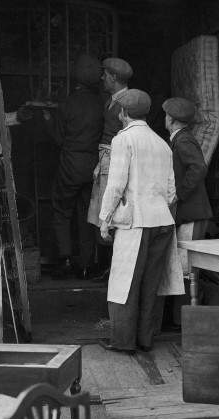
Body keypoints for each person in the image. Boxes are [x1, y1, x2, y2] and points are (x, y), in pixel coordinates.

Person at [98, 89, 184, 353]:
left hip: (136, 222)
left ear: (123, 113)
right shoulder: (162, 142)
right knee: (150, 283)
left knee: (125, 283)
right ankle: (146, 339)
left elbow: (115, 184)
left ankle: (123, 342)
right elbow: (172, 192)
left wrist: (104, 219)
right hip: (162, 220)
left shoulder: (123, 140)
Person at [43, 54, 104, 279]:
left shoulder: (67, 103)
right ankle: (87, 264)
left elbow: (59, 139)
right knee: (88, 216)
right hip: (93, 166)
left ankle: (66, 260)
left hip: (70, 165)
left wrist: (48, 119)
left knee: (62, 211)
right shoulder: (102, 104)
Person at [162, 97, 213, 328]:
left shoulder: (182, 141)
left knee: (186, 268)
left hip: (192, 213)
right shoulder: (178, 139)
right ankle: (179, 319)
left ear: (171, 119)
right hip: (188, 214)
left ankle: (184, 322)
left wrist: (180, 193)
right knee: (184, 267)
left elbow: (199, 167)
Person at [87, 57, 133, 280]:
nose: (102, 77)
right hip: (105, 160)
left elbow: (127, 137)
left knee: (110, 214)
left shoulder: (126, 103)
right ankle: (111, 268)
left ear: (114, 77)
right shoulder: (112, 101)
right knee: (102, 215)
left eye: (105, 74)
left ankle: (118, 271)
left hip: (114, 163)